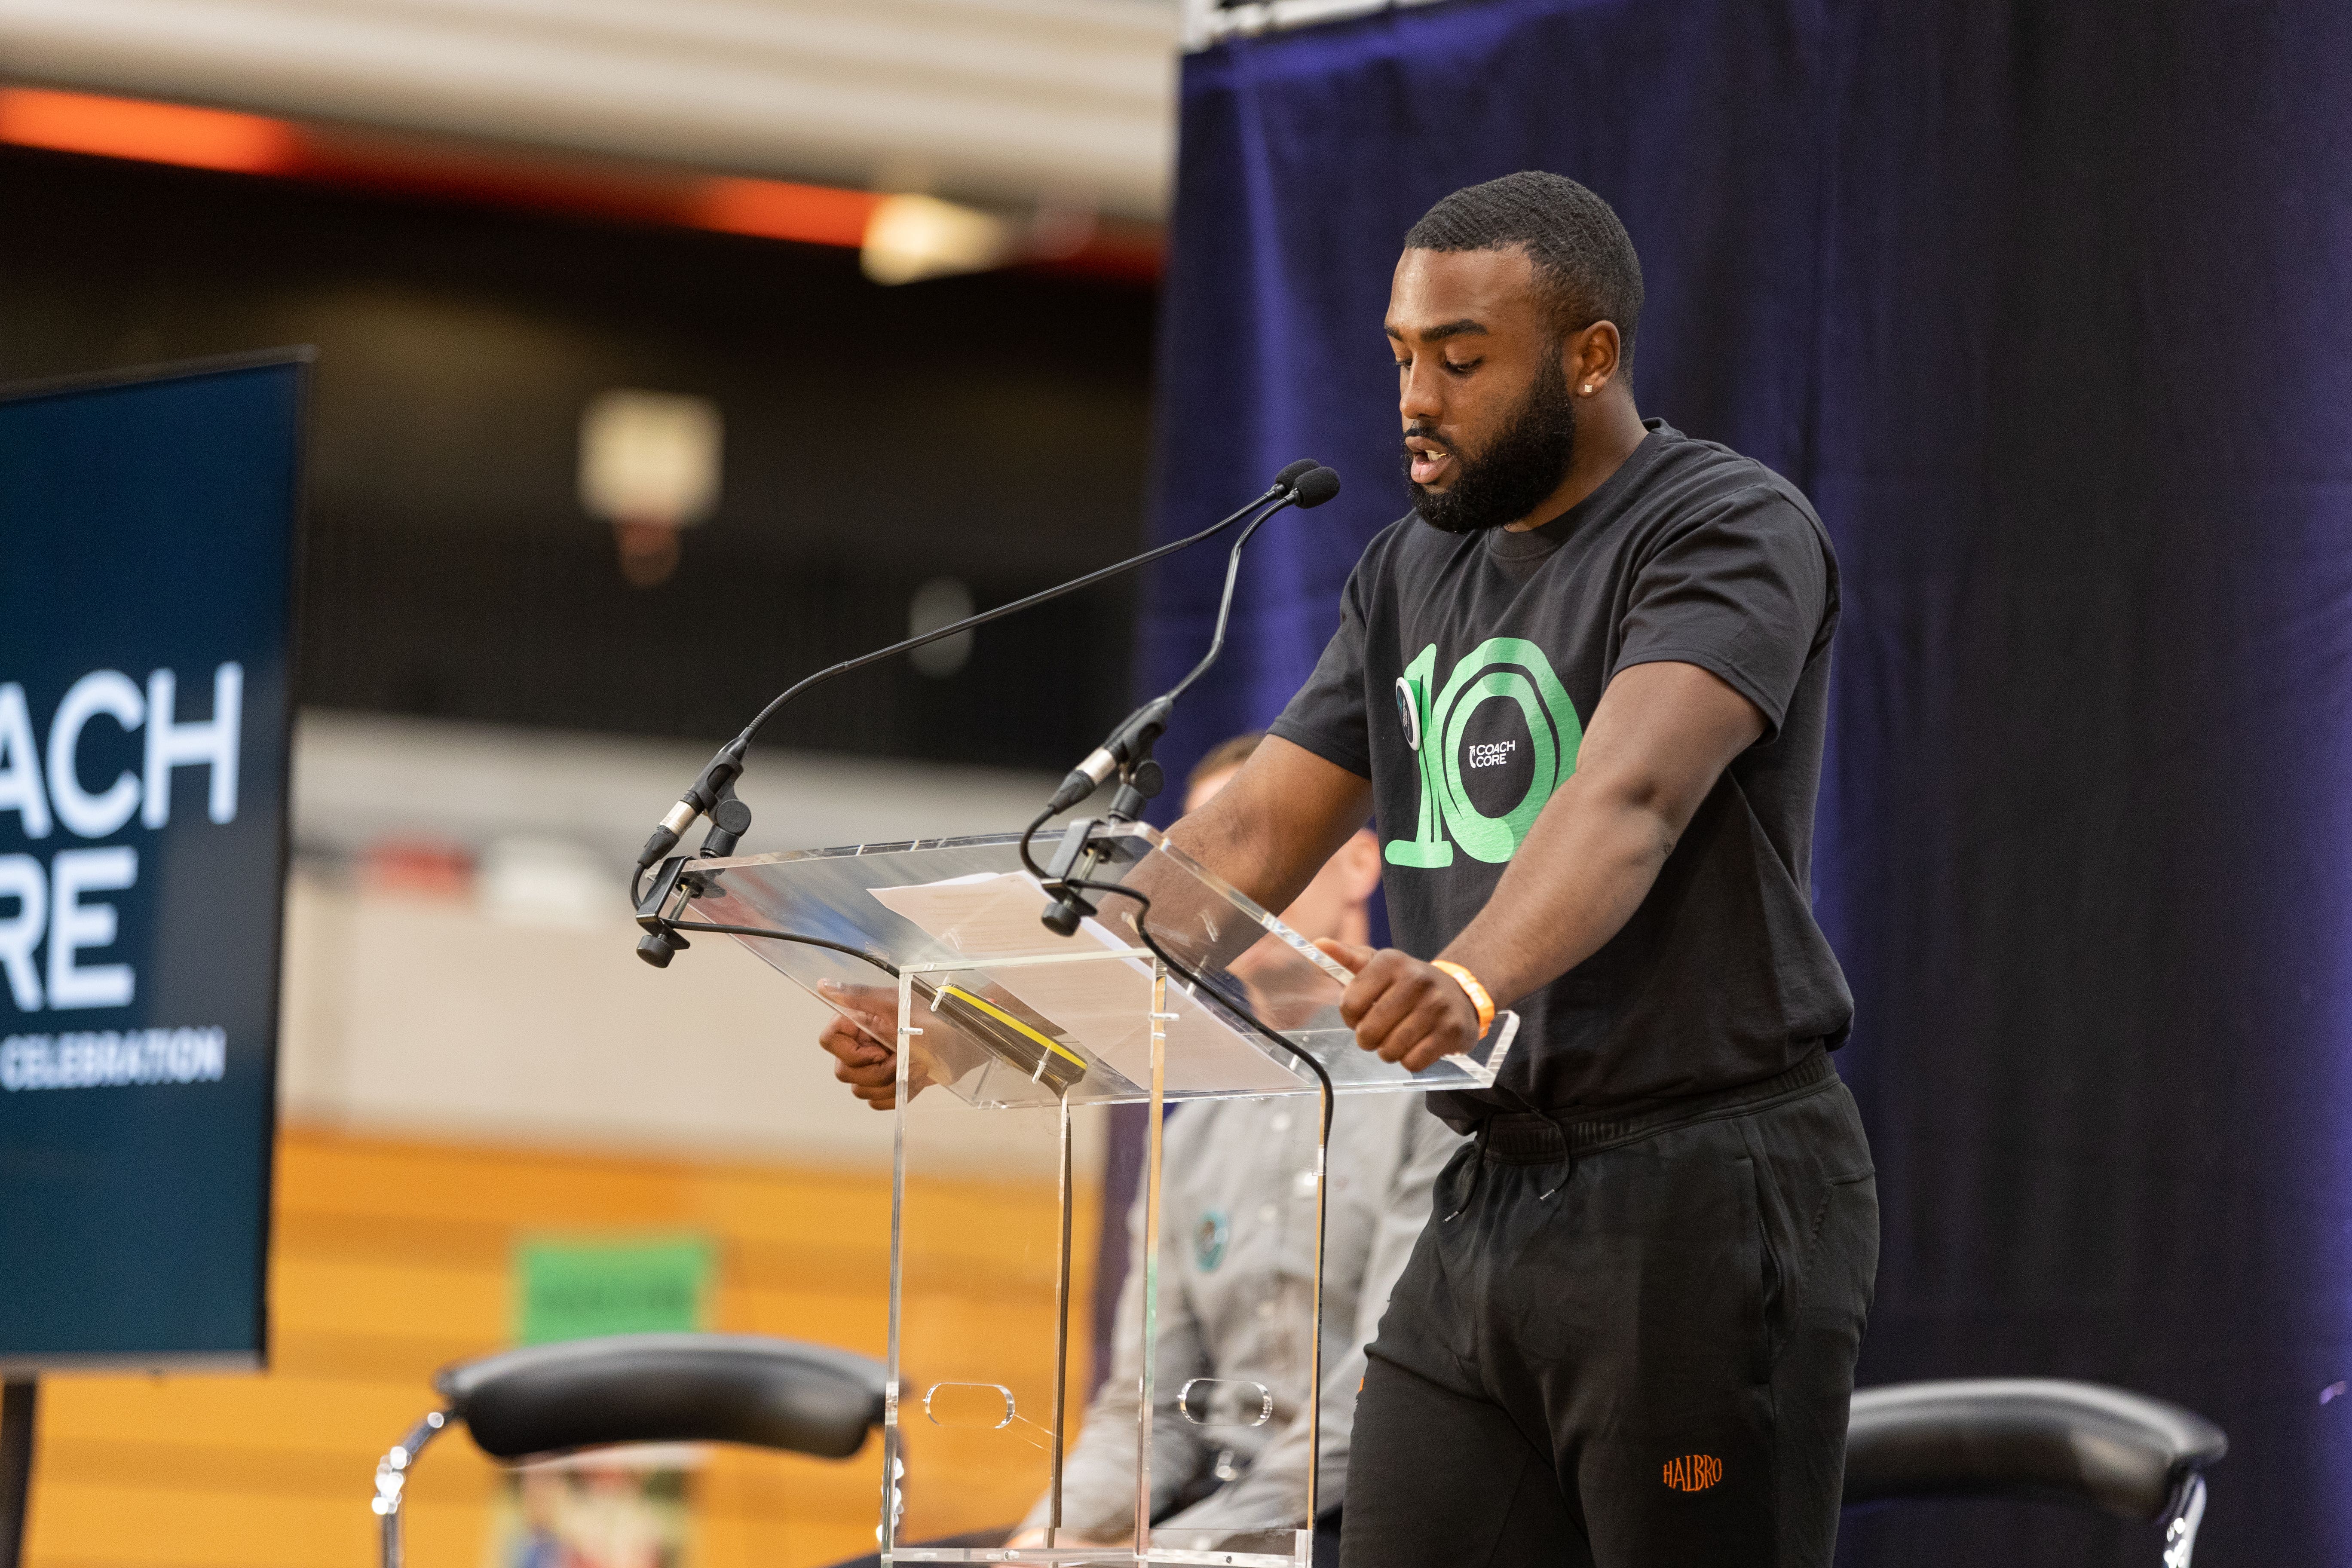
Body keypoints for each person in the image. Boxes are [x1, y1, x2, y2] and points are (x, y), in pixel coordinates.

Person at [1166, 171, 1880, 1568]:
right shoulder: (1404, 574)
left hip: (1703, 1183)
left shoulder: (1722, 526)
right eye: (1397, 356)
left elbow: (1627, 794)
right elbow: (1246, 837)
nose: (1414, 397)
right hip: (1491, 1178)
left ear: (1590, 355)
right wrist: (974, 1014)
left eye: (1460, 357)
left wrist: (1466, 971)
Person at [818, 733, 1462, 1567]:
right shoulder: (1195, 1132)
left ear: (1361, 864)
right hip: (1191, 1524)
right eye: (1203, 873)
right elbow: (1145, 1409)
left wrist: (1162, 1555)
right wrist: (1045, 1542)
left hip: (1349, 1524)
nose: (1237, 895)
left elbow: (1380, 1407)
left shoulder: (1426, 1093)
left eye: (1269, 856)